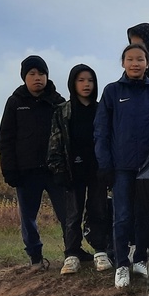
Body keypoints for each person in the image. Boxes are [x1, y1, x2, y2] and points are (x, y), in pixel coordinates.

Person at [95, 43, 149, 289]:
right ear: (123, 63)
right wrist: (105, 163)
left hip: (148, 167)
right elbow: (102, 130)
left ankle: (139, 260)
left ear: (147, 63)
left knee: (144, 215)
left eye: (140, 59)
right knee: (122, 216)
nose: (135, 63)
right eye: (130, 59)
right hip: (121, 167)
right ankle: (121, 265)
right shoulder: (112, 91)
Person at [0, 55, 68, 270]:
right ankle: (35, 257)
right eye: (32, 74)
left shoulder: (58, 101)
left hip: (55, 170)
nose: (37, 78)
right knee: (28, 218)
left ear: (47, 76)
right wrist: (9, 170)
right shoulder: (15, 102)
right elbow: (6, 138)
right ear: (24, 77)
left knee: (67, 214)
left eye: (41, 73)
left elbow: (68, 136)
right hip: (26, 172)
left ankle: (72, 252)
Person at [47, 64, 113, 274]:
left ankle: (100, 250)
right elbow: (54, 142)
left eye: (90, 80)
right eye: (81, 80)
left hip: (97, 169)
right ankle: (72, 254)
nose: (86, 85)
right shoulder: (62, 111)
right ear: (73, 83)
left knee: (98, 209)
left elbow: (110, 139)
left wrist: (108, 166)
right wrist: (58, 169)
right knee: (72, 214)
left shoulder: (102, 108)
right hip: (71, 170)